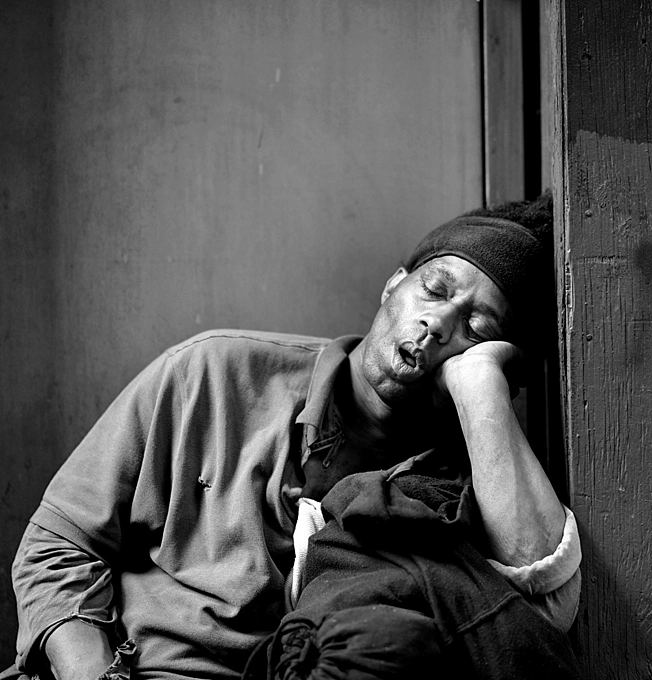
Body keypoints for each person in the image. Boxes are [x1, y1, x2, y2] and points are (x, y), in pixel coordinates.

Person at [6, 192, 581, 680]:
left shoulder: (458, 481)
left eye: (475, 328)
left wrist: (480, 387)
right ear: (393, 285)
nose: (437, 325)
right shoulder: (212, 374)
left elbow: (542, 594)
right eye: (433, 290)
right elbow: (58, 546)